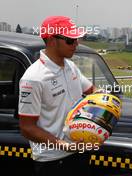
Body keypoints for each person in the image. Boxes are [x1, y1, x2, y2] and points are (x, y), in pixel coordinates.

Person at [18, 16, 96, 176]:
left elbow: (93, 91)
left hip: (78, 153)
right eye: (70, 40)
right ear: (53, 40)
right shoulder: (33, 78)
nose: (76, 44)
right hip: (52, 161)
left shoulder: (71, 66)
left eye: (77, 39)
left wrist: (108, 101)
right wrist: (63, 145)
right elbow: (27, 128)